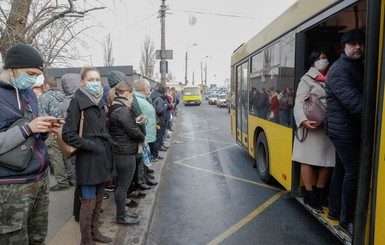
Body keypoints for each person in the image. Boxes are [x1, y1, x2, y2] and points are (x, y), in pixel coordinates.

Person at [0, 43, 62, 244]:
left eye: (37, 75)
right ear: (12, 67)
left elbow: (29, 136)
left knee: (37, 237)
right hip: (11, 187)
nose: (33, 79)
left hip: (40, 179)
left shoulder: (27, 94)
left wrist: (43, 130)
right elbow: (24, 130)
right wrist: (29, 128)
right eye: (30, 73)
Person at [62, 66, 115, 244]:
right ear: (83, 82)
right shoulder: (77, 101)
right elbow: (68, 134)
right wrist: (91, 145)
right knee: (88, 200)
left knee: (99, 196)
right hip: (88, 158)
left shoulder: (100, 100)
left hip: (102, 157)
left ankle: (95, 232)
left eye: (97, 80)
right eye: (91, 80)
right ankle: (86, 239)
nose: (95, 83)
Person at [326, 29, 365, 237]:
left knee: (341, 170)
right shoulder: (340, 69)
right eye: (353, 44)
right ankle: (346, 220)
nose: (358, 47)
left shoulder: (355, 65)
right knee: (354, 172)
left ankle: (334, 210)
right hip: (344, 131)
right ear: (344, 47)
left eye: (360, 43)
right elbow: (355, 103)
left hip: (346, 128)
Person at [292, 49, 335, 211]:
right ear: (312, 62)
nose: (322, 60)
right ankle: (309, 193)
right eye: (319, 58)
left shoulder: (332, 76)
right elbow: (298, 102)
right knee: (308, 159)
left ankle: (319, 190)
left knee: (329, 161)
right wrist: (303, 121)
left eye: (325, 57)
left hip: (329, 125)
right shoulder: (307, 79)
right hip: (311, 125)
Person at [108, 81, 144, 225]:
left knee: (120, 185)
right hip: (125, 153)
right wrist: (142, 137)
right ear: (127, 93)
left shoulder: (115, 108)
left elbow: (124, 127)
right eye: (132, 94)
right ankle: (121, 217)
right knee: (123, 186)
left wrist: (135, 121)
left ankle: (122, 213)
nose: (132, 97)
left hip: (120, 151)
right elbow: (132, 132)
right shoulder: (122, 110)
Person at [38, 77, 76, 191]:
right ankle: (72, 179)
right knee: (65, 154)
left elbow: (42, 116)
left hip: (52, 129)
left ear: (47, 85)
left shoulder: (44, 97)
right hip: (65, 128)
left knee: (55, 156)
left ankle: (62, 182)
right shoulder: (64, 96)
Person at [60, 73, 82, 222]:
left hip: (73, 144)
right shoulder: (74, 102)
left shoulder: (66, 100)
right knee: (81, 179)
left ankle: (79, 210)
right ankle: (79, 212)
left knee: (80, 178)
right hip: (77, 145)